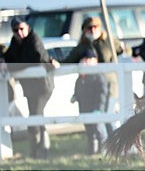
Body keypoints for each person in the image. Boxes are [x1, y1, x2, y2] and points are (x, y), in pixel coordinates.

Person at [0, 18, 57, 159]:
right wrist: (3, 62)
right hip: (30, 87)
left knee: (35, 117)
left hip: (42, 86)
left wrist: (12, 67)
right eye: (15, 30)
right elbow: (9, 57)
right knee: (36, 116)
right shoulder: (16, 42)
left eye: (21, 28)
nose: (19, 32)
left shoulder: (34, 40)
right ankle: (38, 152)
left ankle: (40, 152)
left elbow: (34, 59)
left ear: (27, 27)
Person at [62, 17, 125, 136]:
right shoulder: (82, 47)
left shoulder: (108, 41)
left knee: (109, 116)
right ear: (84, 30)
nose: (92, 30)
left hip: (110, 84)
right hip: (92, 88)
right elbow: (68, 61)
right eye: (89, 28)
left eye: (95, 27)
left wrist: (124, 49)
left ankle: (117, 143)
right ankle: (103, 146)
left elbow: (124, 50)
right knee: (98, 119)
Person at [70, 48, 108, 155]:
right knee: (89, 131)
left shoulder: (98, 76)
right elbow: (77, 89)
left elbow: (102, 93)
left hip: (95, 108)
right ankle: (92, 151)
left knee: (99, 129)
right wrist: (75, 96)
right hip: (84, 108)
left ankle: (103, 150)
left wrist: (99, 108)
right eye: (84, 60)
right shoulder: (81, 78)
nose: (85, 62)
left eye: (88, 59)